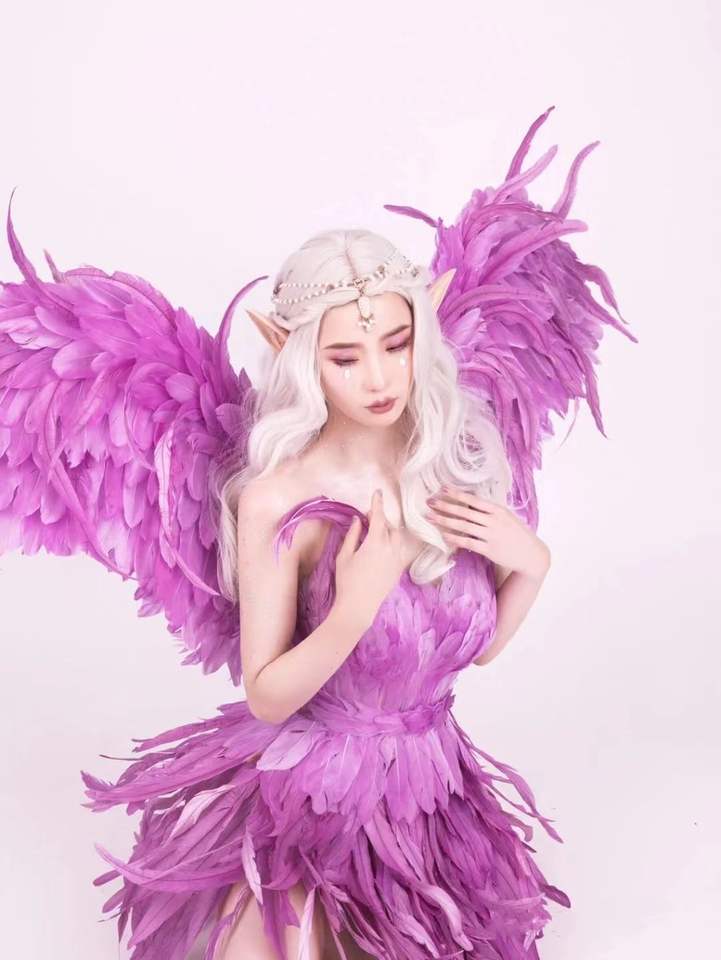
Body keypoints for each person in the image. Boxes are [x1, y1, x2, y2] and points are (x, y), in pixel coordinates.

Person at [0, 106, 636, 960]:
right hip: (314, 803)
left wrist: (530, 563)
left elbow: (474, 650)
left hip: (432, 797)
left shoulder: (446, 462)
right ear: (298, 354)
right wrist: (352, 606)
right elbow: (268, 694)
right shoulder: (278, 499)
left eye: (396, 344)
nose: (378, 377)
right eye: (345, 357)